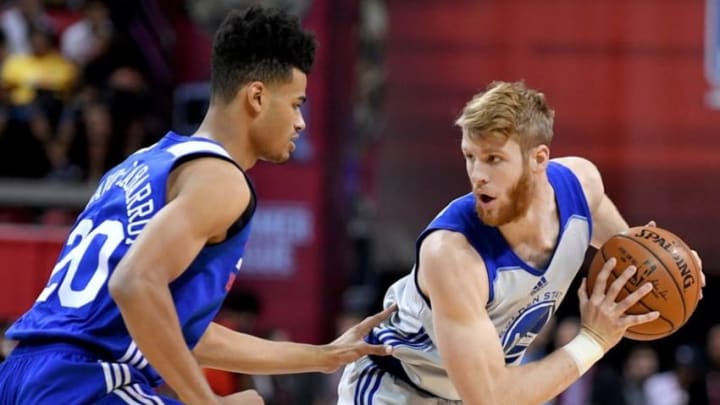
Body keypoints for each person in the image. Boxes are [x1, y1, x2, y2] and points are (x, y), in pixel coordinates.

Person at [0, 6, 394, 405]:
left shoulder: (143, 163)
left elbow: (179, 329)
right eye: (295, 104)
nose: (300, 122)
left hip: (21, 374)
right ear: (257, 96)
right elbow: (133, 283)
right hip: (83, 381)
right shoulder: (222, 180)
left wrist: (321, 356)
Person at [337, 80, 705, 404]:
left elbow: (632, 259)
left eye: (493, 159)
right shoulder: (452, 255)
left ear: (538, 159)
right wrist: (594, 340)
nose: (478, 175)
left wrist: (674, 266)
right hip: (398, 389)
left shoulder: (582, 189)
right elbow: (491, 397)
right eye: (470, 157)